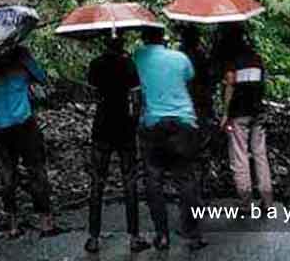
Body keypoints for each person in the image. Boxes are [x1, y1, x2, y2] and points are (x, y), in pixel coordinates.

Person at [133, 26, 207, 251]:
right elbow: (189, 78)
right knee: (185, 179)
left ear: (144, 38)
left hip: (154, 124)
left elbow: (135, 82)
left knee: (154, 180)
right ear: (164, 38)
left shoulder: (138, 56)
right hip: (183, 122)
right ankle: (193, 235)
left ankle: (162, 235)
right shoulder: (180, 57)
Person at [84, 36, 151, 254]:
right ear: (122, 46)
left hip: (102, 126)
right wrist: (134, 120)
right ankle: (134, 237)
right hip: (124, 127)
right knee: (129, 181)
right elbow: (136, 96)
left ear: (105, 45)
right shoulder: (128, 64)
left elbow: (91, 92)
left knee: (97, 181)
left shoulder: (96, 64)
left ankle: (93, 237)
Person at [0, 44, 55, 237]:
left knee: (7, 173)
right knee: (36, 169)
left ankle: (13, 224)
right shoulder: (21, 53)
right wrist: (26, 63)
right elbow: (41, 77)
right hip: (23, 122)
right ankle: (45, 222)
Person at [219, 25, 273, 210]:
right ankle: (267, 200)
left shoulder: (232, 60)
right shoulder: (257, 58)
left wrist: (225, 113)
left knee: (239, 155)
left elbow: (230, 85)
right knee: (260, 154)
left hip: (239, 113)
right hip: (258, 111)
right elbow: (262, 84)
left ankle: (245, 202)